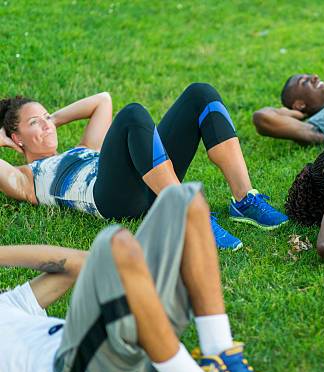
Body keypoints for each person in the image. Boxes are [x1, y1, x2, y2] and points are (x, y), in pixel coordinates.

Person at [0, 183, 289, 372]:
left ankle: (221, 354)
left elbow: (78, 264)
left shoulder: (7, 303)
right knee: (116, 245)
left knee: (186, 200)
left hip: (135, 346)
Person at [0, 83, 288, 251]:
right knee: (133, 115)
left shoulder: (84, 148)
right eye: (34, 123)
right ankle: (186, 213)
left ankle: (245, 199)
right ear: (16, 138)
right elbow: (106, 105)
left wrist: (51, 120)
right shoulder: (26, 178)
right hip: (110, 198)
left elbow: (103, 100)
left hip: (147, 178)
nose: (46, 125)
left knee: (201, 94)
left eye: (46, 117)